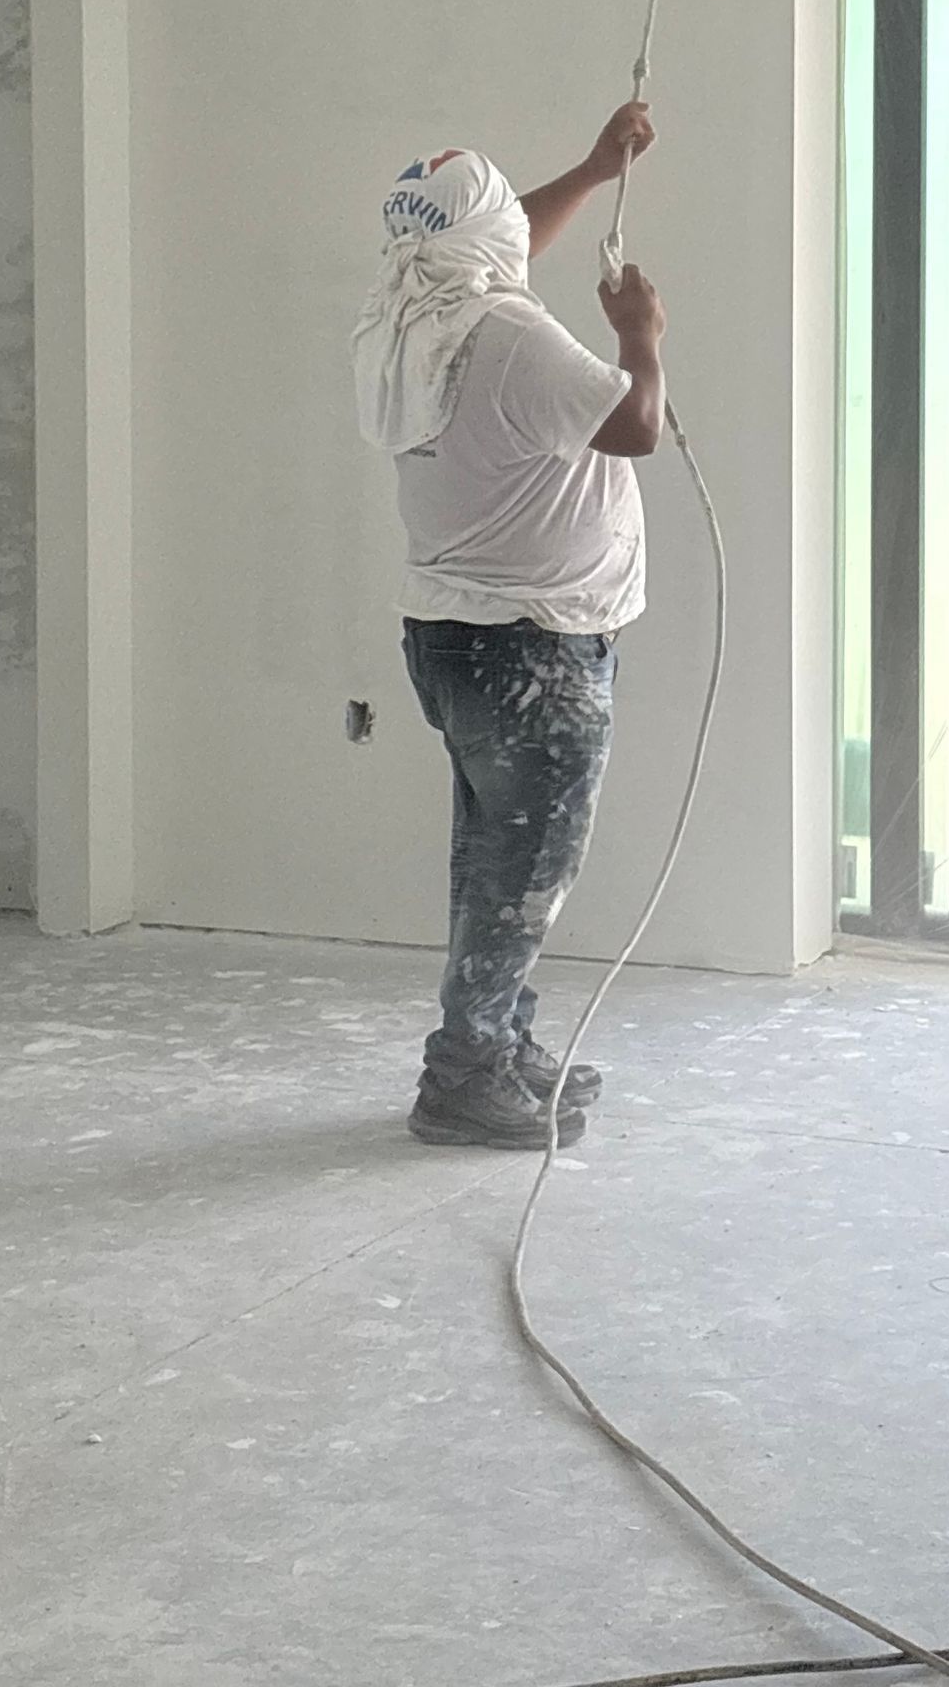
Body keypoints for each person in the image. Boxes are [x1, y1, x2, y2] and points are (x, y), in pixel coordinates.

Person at [352, 105, 665, 1149]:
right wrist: (640, 338)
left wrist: (589, 169)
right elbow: (631, 427)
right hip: (536, 653)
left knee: (492, 858)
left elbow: (496, 242)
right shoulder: (513, 335)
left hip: (453, 640)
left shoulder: (402, 319)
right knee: (525, 876)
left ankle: (500, 1043)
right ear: (481, 240)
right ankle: (465, 1075)